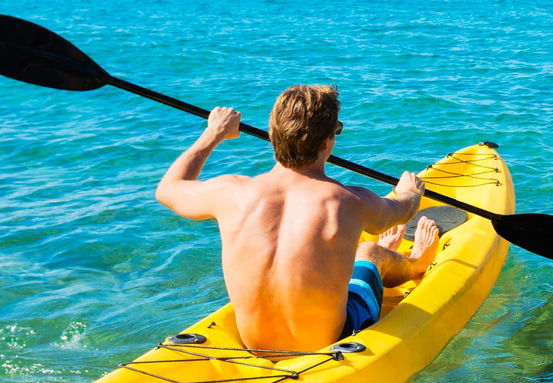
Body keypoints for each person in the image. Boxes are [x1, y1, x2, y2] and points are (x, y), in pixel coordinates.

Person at [155, 84, 440, 352]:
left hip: (255, 345)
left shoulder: (231, 193)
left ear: (272, 134)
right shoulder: (347, 201)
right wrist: (409, 191)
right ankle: (415, 264)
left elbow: (168, 190)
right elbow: (400, 211)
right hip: (334, 339)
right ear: (328, 142)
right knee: (368, 251)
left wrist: (214, 133)